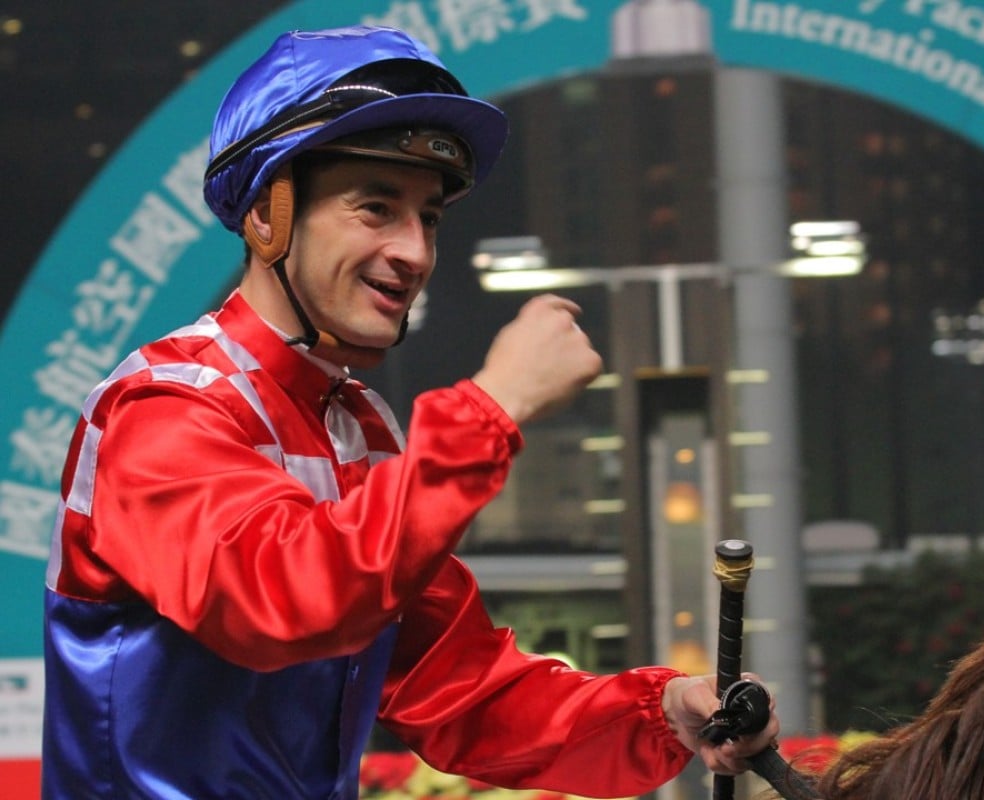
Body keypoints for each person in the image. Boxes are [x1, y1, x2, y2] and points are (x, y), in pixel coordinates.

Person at [41, 24, 779, 799]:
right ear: (267, 216)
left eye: (428, 217)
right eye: (376, 207)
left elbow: (463, 693)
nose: (416, 252)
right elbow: (282, 598)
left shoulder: (358, 431)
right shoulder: (161, 408)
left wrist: (662, 712)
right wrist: (497, 403)